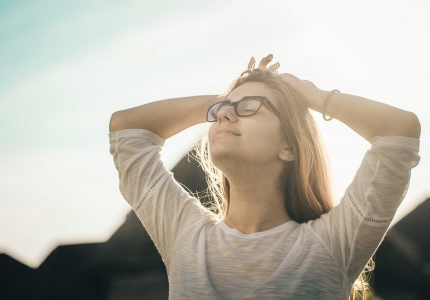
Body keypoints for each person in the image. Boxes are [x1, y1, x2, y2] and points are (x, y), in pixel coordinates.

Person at [108, 54, 421, 299]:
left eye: (250, 107)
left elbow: (398, 130)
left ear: (289, 146)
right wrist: (221, 100)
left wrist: (313, 96)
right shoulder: (184, 234)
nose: (225, 114)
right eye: (220, 111)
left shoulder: (334, 242)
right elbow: (126, 129)